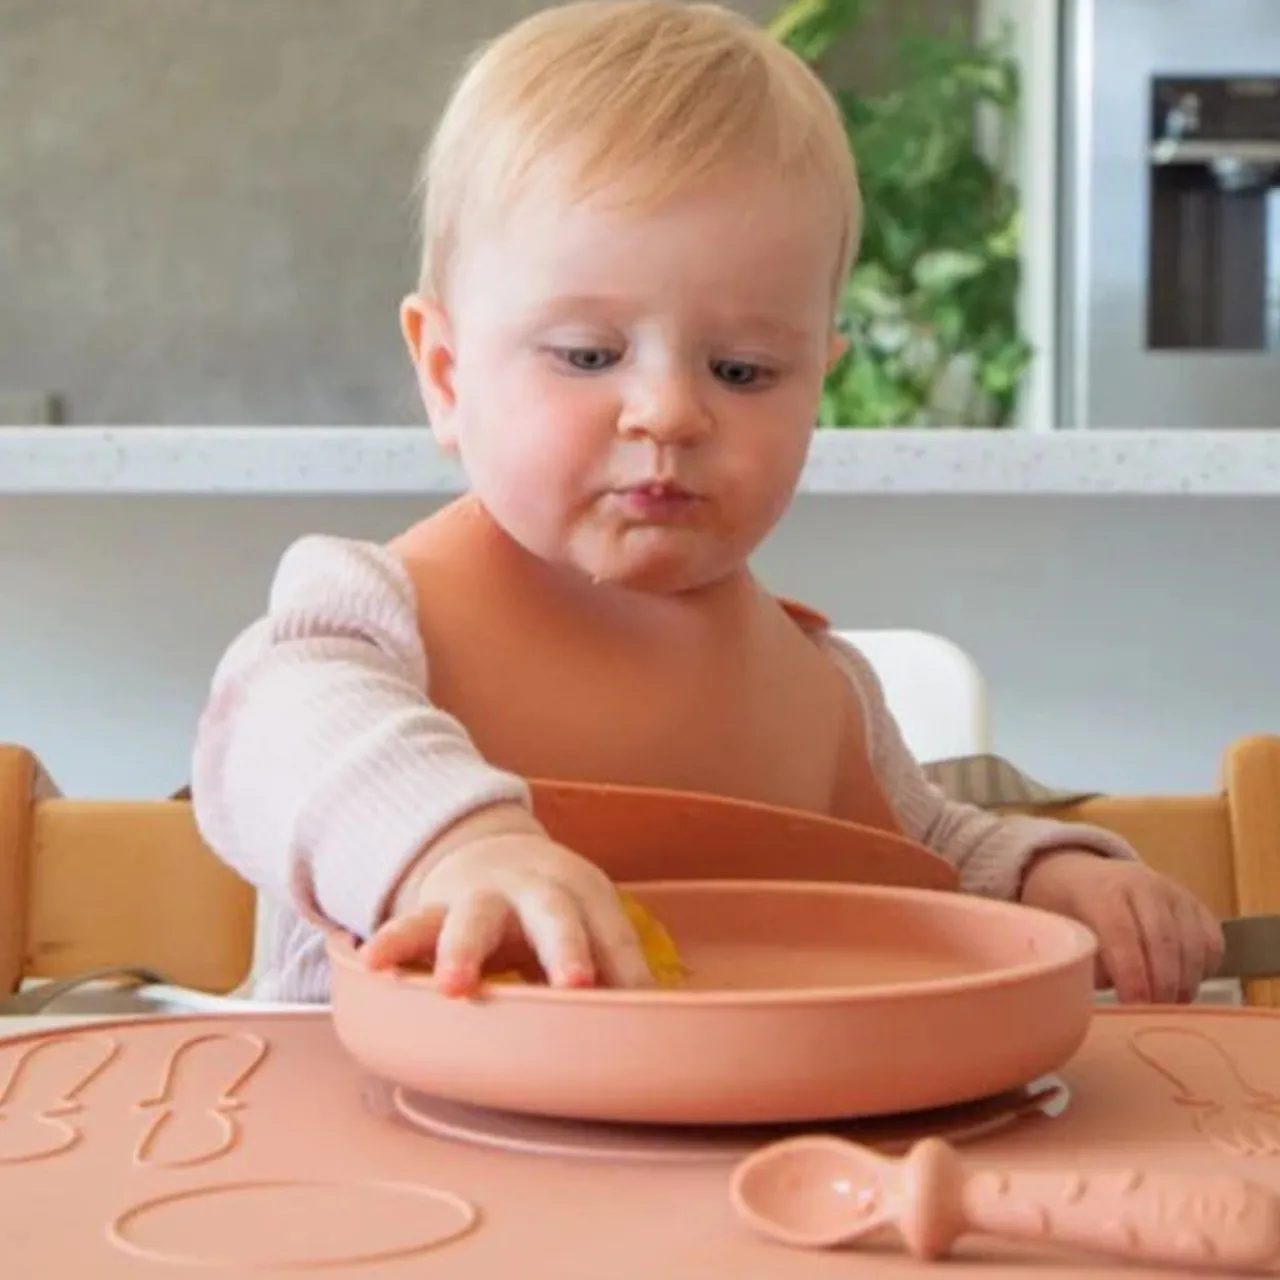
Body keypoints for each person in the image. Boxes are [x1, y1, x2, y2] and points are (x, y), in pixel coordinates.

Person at [191, 0, 1222, 1008]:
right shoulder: (368, 619)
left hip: (728, 1122)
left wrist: (1046, 878)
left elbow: (924, 856)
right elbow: (280, 738)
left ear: (817, 383)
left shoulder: (818, 688)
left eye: (742, 370)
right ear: (447, 375)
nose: (670, 412)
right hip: (362, 1111)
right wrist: (456, 847)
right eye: (587, 355)